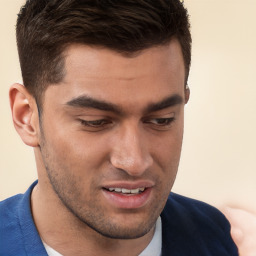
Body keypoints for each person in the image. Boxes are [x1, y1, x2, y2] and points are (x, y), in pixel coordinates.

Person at [0, 0, 238, 255]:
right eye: (96, 122)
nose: (134, 161)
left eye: (162, 120)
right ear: (26, 117)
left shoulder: (219, 239)